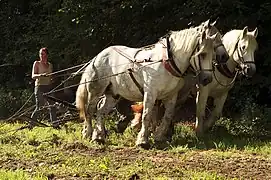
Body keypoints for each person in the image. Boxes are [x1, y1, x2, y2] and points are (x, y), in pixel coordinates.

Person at [30, 47, 59, 128]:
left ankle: (55, 124)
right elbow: (33, 76)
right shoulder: (37, 63)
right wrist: (41, 75)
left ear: (47, 55)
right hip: (39, 87)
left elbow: (51, 77)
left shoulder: (50, 65)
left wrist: (53, 78)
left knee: (52, 106)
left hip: (49, 87)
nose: (41, 56)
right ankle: (31, 124)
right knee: (40, 106)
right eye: (40, 54)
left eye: (43, 54)